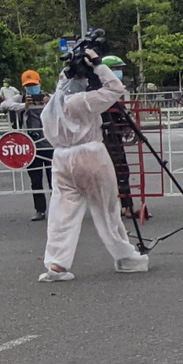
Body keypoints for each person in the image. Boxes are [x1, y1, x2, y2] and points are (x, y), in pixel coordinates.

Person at [39, 55, 148, 281]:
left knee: (62, 212)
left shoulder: (51, 106)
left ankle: (57, 264)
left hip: (61, 158)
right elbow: (115, 88)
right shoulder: (83, 100)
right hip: (90, 154)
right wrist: (99, 66)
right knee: (107, 210)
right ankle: (126, 257)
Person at [97, 55, 146, 221]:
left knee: (121, 170)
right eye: (116, 69)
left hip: (113, 136)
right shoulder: (103, 94)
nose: (119, 73)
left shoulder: (112, 93)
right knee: (116, 171)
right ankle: (119, 207)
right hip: (106, 137)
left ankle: (124, 206)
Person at [15, 70, 53, 221]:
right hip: (32, 146)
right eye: (28, 86)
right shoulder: (21, 98)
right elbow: (5, 105)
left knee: (55, 180)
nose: (31, 89)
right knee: (35, 181)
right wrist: (24, 105)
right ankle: (40, 210)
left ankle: (57, 210)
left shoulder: (49, 97)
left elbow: (64, 102)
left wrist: (49, 101)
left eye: (34, 85)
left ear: (39, 83)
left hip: (50, 144)